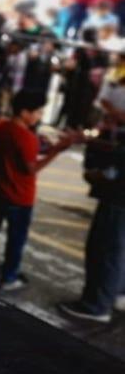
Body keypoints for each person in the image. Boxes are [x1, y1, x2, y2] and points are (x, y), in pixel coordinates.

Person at [0, 90, 81, 290]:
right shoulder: (26, 137)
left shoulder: (1, 126)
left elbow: (18, 152)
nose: (39, 116)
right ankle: (9, 277)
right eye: (37, 112)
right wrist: (57, 150)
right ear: (24, 112)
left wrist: (44, 145)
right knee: (16, 239)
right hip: (19, 196)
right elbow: (31, 168)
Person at [57, 131, 125, 323]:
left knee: (106, 252)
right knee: (118, 253)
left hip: (118, 203)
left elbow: (108, 174)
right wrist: (91, 141)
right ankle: (117, 294)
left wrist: (93, 175)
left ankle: (96, 306)